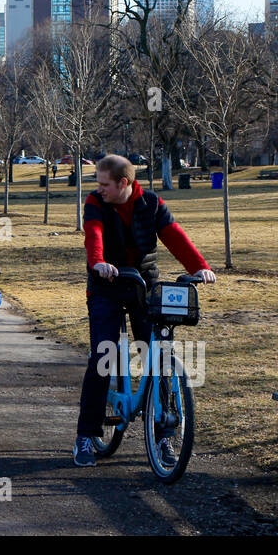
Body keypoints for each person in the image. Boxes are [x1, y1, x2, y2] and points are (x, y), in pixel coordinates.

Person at [73, 154, 216, 468]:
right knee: (103, 356)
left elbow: (175, 237)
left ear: (124, 183)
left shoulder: (151, 203)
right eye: (98, 184)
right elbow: (93, 235)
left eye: (105, 184)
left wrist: (200, 268)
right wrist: (98, 263)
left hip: (143, 286)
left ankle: (163, 436)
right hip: (105, 285)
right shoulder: (95, 203)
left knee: (159, 357)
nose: (99, 189)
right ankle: (86, 435)